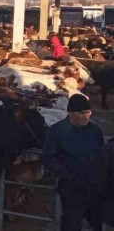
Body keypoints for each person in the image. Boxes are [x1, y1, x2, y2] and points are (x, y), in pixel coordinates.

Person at [43, 94, 105, 231]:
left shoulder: (94, 130)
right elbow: (49, 157)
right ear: (71, 113)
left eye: (89, 113)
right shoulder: (56, 131)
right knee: (72, 223)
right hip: (72, 189)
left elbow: (102, 153)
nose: (86, 116)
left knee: (98, 222)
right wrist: (68, 175)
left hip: (94, 187)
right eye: (82, 113)